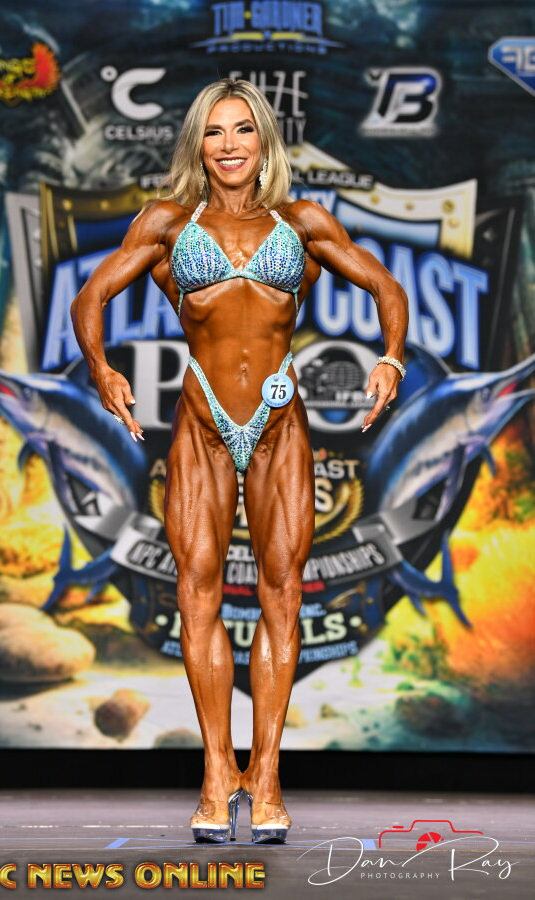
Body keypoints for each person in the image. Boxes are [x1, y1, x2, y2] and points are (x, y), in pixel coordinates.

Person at [70, 78, 408, 844]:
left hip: (281, 424)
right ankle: (218, 772)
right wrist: (101, 368)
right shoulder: (167, 222)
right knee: (198, 595)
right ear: (199, 143)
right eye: (216, 131)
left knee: (282, 596)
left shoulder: (302, 221)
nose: (230, 145)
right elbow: (92, 296)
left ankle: (270, 774)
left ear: (264, 141)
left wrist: (391, 357)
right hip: (203, 423)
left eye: (243, 130)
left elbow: (384, 284)